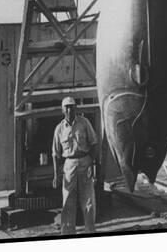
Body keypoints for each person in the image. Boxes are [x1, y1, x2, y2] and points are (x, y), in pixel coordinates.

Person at [52, 96, 98, 235]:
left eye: (71, 106)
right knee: (68, 201)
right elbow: (55, 153)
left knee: (88, 200)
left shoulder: (84, 123)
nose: (69, 109)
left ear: (76, 108)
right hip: (69, 165)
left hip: (85, 162)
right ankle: (67, 233)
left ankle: (90, 231)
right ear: (62, 109)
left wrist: (92, 163)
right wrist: (56, 174)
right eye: (66, 107)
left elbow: (94, 143)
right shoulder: (59, 129)